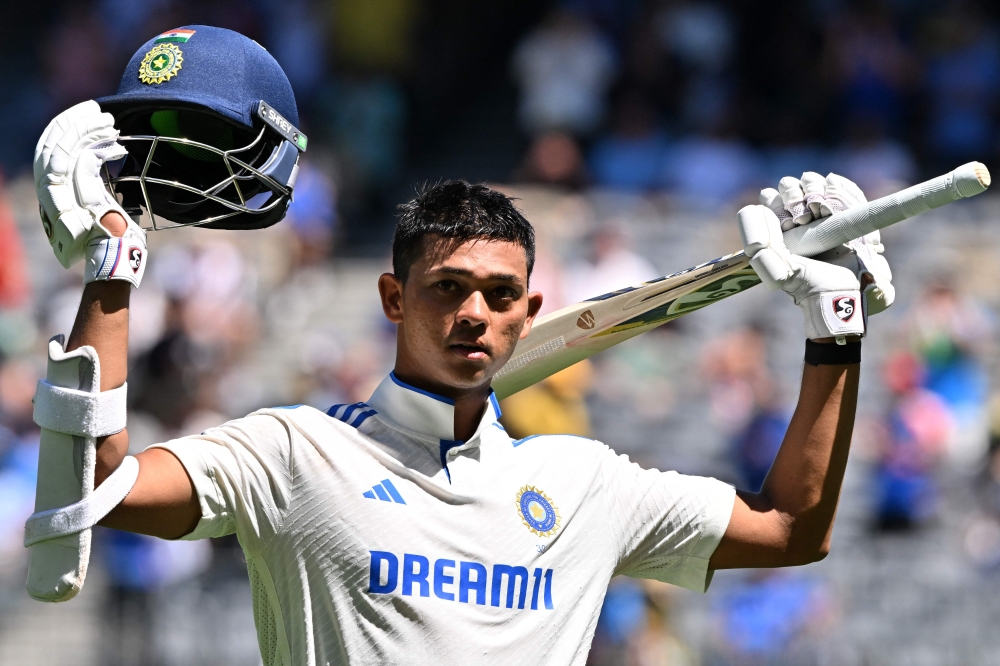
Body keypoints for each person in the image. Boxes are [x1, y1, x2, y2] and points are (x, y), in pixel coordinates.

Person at [29, 27, 895, 666]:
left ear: (531, 312)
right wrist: (113, 264)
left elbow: (791, 529)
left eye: (500, 294)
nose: (476, 313)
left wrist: (835, 331)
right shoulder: (294, 453)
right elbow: (99, 486)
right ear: (394, 298)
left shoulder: (585, 484)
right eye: (448, 289)